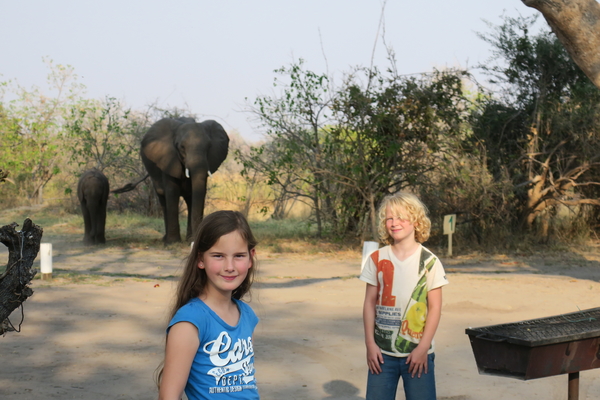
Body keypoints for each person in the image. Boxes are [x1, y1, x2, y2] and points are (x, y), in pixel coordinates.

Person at [157, 210, 260, 400]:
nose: (230, 266)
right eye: (218, 256)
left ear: (251, 257)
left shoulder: (247, 315)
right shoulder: (190, 322)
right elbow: (169, 396)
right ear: (200, 259)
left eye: (238, 256)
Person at [360, 192, 449, 400]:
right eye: (390, 218)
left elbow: (435, 308)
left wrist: (423, 348)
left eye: (401, 217)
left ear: (416, 221)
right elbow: (369, 303)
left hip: (418, 355)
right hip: (381, 355)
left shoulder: (430, 262)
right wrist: (370, 345)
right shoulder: (376, 258)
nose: (394, 223)